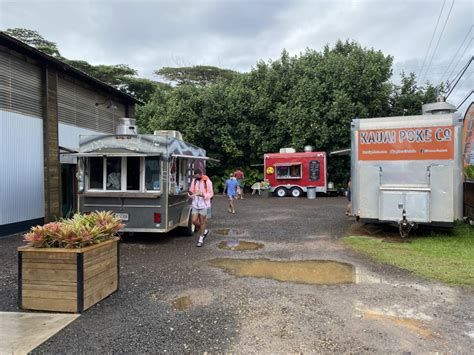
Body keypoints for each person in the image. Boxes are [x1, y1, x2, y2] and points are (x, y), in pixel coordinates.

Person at [188, 169, 214, 247]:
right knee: (193, 221)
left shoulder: (207, 182)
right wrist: (191, 193)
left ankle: (201, 239)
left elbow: (211, 193)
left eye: (197, 176)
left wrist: (203, 195)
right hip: (195, 204)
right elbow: (191, 190)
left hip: (204, 205)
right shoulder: (194, 181)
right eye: (195, 176)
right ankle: (204, 231)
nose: (196, 178)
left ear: (200, 174)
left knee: (202, 222)